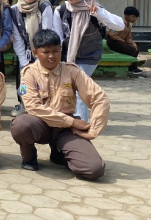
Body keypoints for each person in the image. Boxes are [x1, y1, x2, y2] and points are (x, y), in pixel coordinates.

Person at [11, 29, 108, 180]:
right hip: (40, 124)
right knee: (21, 124)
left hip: (65, 129)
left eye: (55, 51)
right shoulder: (28, 73)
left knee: (94, 169)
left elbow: (100, 98)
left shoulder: (72, 70)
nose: (52, 56)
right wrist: (72, 121)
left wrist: (94, 130)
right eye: (46, 52)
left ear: (60, 50)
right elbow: (33, 107)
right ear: (35, 53)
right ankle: (29, 156)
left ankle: (59, 153)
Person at [54, 0, 124, 121]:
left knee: (79, 88)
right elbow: (57, 36)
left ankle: (82, 125)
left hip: (89, 56)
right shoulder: (61, 10)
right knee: (66, 89)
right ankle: (68, 121)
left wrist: (98, 13)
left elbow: (120, 26)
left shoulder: (95, 9)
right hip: (67, 57)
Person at [11, 0, 56, 115]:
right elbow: (17, 38)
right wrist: (24, 61)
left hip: (43, 51)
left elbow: (46, 32)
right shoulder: (14, 10)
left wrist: (39, 58)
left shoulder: (44, 7)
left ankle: (43, 107)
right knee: (24, 80)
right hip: (24, 52)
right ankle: (24, 105)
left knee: (43, 80)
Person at [106, 6, 143, 75]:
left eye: (136, 17)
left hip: (122, 42)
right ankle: (131, 68)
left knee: (136, 48)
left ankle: (133, 67)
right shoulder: (120, 23)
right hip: (114, 42)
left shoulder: (129, 26)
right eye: (133, 17)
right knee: (131, 50)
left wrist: (133, 43)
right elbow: (111, 34)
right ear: (126, 15)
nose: (134, 19)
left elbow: (128, 37)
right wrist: (121, 40)